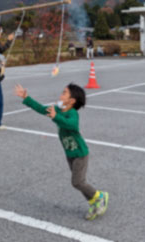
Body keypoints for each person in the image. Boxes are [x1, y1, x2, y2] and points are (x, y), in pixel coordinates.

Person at [14, 83, 108, 220]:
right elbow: (41, 108)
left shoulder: (72, 113)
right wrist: (26, 97)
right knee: (80, 182)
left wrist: (55, 117)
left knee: (77, 182)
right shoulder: (58, 110)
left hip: (80, 154)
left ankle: (100, 196)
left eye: (64, 93)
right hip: (70, 153)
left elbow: (72, 125)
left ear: (72, 101)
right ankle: (94, 203)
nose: (61, 94)